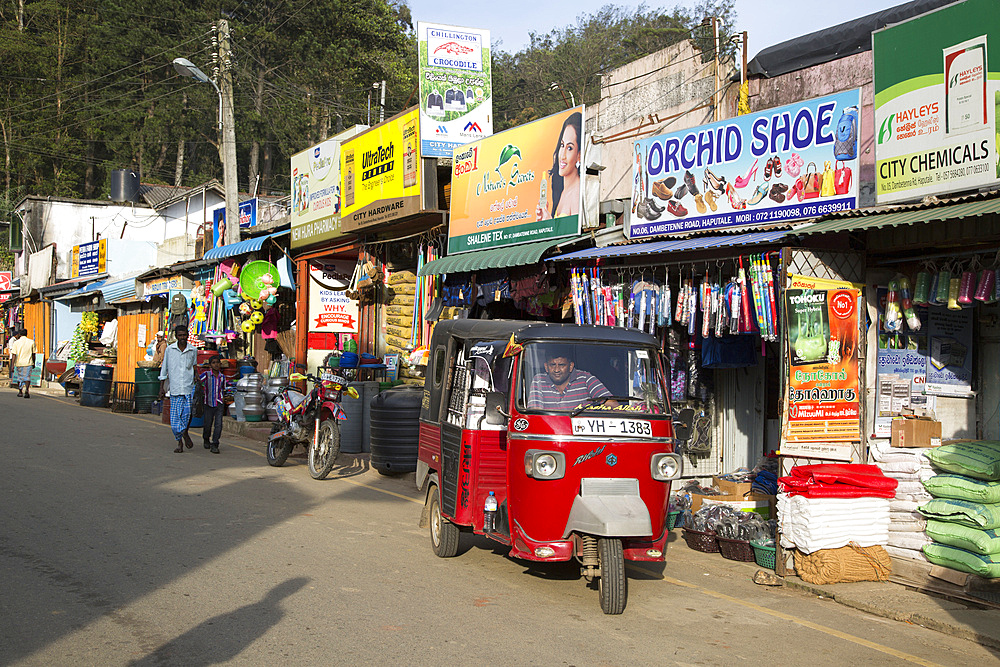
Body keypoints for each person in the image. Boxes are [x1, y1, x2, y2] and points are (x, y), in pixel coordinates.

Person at [526, 346, 615, 411]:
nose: (556, 370)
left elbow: (612, 404)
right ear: (546, 367)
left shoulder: (585, 379)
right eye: (552, 365)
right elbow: (535, 412)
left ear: (571, 366)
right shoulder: (539, 380)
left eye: (561, 365)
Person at [535, 111, 583, 221]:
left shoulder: (577, 193)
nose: (563, 155)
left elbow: (576, 235)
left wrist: (550, 223)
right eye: (562, 145)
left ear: (579, 155)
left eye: (570, 148)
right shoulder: (563, 191)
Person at [159, 324, 197, 453]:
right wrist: (162, 388)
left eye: (184, 335)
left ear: (187, 335)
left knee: (186, 416)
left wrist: (197, 379)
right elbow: (164, 369)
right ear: (176, 336)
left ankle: (184, 433)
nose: (182, 337)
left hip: (188, 388)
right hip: (174, 389)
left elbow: (194, 367)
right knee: (175, 421)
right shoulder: (170, 350)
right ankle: (180, 440)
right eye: (180, 335)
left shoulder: (193, 350)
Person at [198, 355, 232, 454]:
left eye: (217, 362)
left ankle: (215, 443)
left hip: (219, 403)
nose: (216, 365)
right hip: (208, 403)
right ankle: (206, 438)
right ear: (210, 365)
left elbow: (224, 389)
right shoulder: (206, 375)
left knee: (218, 425)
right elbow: (199, 382)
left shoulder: (222, 377)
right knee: (208, 424)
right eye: (213, 363)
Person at [9, 328, 36, 398]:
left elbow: (14, 354)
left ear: (19, 334)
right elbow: (34, 354)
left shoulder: (16, 343)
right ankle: (27, 390)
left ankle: (20, 391)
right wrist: (34, 363)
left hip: (19, 363)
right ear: (26, 334)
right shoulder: (31, 342)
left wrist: (12, 365)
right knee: (27, 377)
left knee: (19, 377)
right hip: (28, 362)